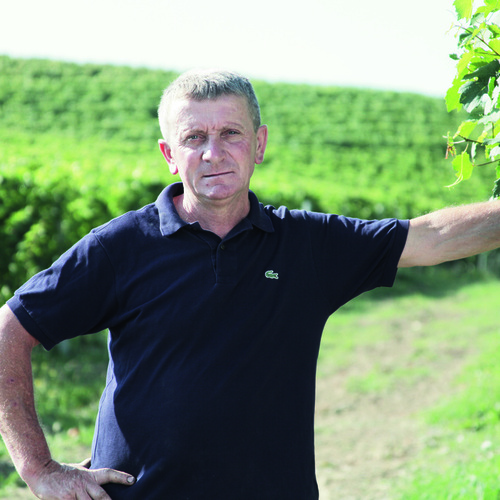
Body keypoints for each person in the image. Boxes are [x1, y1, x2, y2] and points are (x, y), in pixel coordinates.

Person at [1, 69, 500, 500]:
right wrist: (39, 468)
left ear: (259, 144)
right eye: (194, 137)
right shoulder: (119, 247)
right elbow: (10, 330)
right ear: (169, 154)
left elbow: (432, 237)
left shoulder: (306, 246)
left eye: (231, 133)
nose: (213, 152)